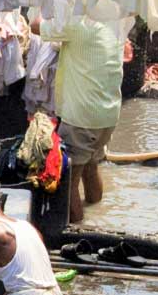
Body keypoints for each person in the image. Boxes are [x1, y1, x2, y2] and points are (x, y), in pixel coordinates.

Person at [34, 17, 130, 226]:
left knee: (69, 180)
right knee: (91, 165)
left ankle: (78, 230)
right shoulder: (116, 23)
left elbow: (35, 26)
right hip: (107, 115)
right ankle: (97, 216)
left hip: (82, 118)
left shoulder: (77, 24)